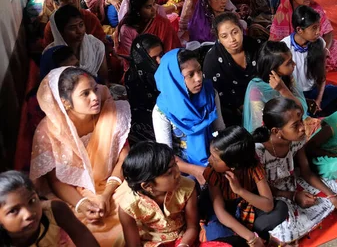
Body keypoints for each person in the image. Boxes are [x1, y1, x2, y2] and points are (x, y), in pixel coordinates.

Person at [30, 67, 131, 246]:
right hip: (74, 194)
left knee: (138, 209)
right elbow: (56, 181)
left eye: (95, 88)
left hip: (114, 184)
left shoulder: (109, 111)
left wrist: (106, 195)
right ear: (65, 102)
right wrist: (83, 204)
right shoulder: (50, 131)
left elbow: (124, 159)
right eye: (85, 93)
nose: (95, 97)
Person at [252, 97, 337, 244]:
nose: (302, 127)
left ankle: (330, 203)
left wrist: (332, 196)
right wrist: (294, 196)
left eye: (300, 121)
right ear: (276, 131)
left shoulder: (296, 140)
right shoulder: (259, 151)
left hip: (294, 184)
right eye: (295, 125)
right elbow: (261, 191)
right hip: (272, 196)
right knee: (286, 231)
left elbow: (306, 172)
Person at [204, 126, 286, 246]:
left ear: (233, 166)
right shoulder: (213, 173)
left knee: (281, 209)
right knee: (216, 233)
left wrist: (240, 190)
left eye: (215, 159)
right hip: (225, 212)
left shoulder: (253, 167)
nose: (209, 160)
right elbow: (220, 212)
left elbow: (268, 205)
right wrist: (251, 237)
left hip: (247, 204)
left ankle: (250, 236)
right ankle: (255, 237)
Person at [153, 48, 226, 183]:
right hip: (181, 168)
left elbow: (220, 131)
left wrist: (219, 160)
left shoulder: (210, 94)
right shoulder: (162, 111)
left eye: (199, 70)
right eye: (190, 75)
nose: (198, 78)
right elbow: (166, 155)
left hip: (213, 159)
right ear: (175, 78)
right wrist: (197, 171)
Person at [117, 142, 199, 247]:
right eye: (169, 172)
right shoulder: (128, 207)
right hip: (149, 243)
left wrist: (184, 244)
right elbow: (134, 244)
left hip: (184, 238)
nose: (177, 173)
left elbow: (192, 227)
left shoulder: (187, 188)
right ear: (147, 186)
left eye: (175, 164)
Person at [270, 0, 337, 72]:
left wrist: (325, 50)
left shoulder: (315, 8)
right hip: (292, 50)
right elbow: (275, 42)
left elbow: (328, 32)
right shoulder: (282, 13)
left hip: (316, 46)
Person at [0, 170, 99, 247]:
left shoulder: (55, 211)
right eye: (13, 211)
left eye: (32, 201)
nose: (28, 214)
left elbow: (83, 236)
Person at [282, 5, 337, 117]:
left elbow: (322, 77)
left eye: (318, 27)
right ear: (299, 30)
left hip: (314, 93)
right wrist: (300, 101)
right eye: (314, 28)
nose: (318, 32)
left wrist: (318, 100)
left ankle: (317, 111)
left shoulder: (319, 43)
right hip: (293, 96)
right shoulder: (284, 47)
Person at [203, 13, 261, 127]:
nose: (232, 39)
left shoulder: (257, 46)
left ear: (241, 29)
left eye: (235, 32)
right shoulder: (212, 60)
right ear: (218, 38)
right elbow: (215, 93)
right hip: (230, 112)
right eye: (224, 36)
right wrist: (241, 106)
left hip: (261, 101)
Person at [243, 41, 308, 132]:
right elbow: (259, 127)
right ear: (273, 69)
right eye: (288, 63)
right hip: (275, 134)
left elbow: (302, 110)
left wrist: (283, 90)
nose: (294, 64)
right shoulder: (256, 90)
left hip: (295, 124)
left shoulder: (287, 77)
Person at [116, 0, 181, 63]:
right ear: (138, 10)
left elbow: (172, 48)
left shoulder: (163, 23)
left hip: (164, 62)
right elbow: (132, 56)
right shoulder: (127, 28)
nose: (154, 9)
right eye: (148, 6)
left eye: (154, 4)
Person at [45, 5, 108, 79]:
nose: (79, 31)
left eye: (81, 25)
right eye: (72, 28)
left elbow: (104, 78)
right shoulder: (50, 55)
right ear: (61, 32)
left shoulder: (96, 45)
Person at [124, 34, 163, 145]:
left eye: (161, 55)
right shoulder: (133, 78)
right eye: (153, 58)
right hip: (147, 123)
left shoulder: (165, 71)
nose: (159, 61)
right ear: (142, 58)